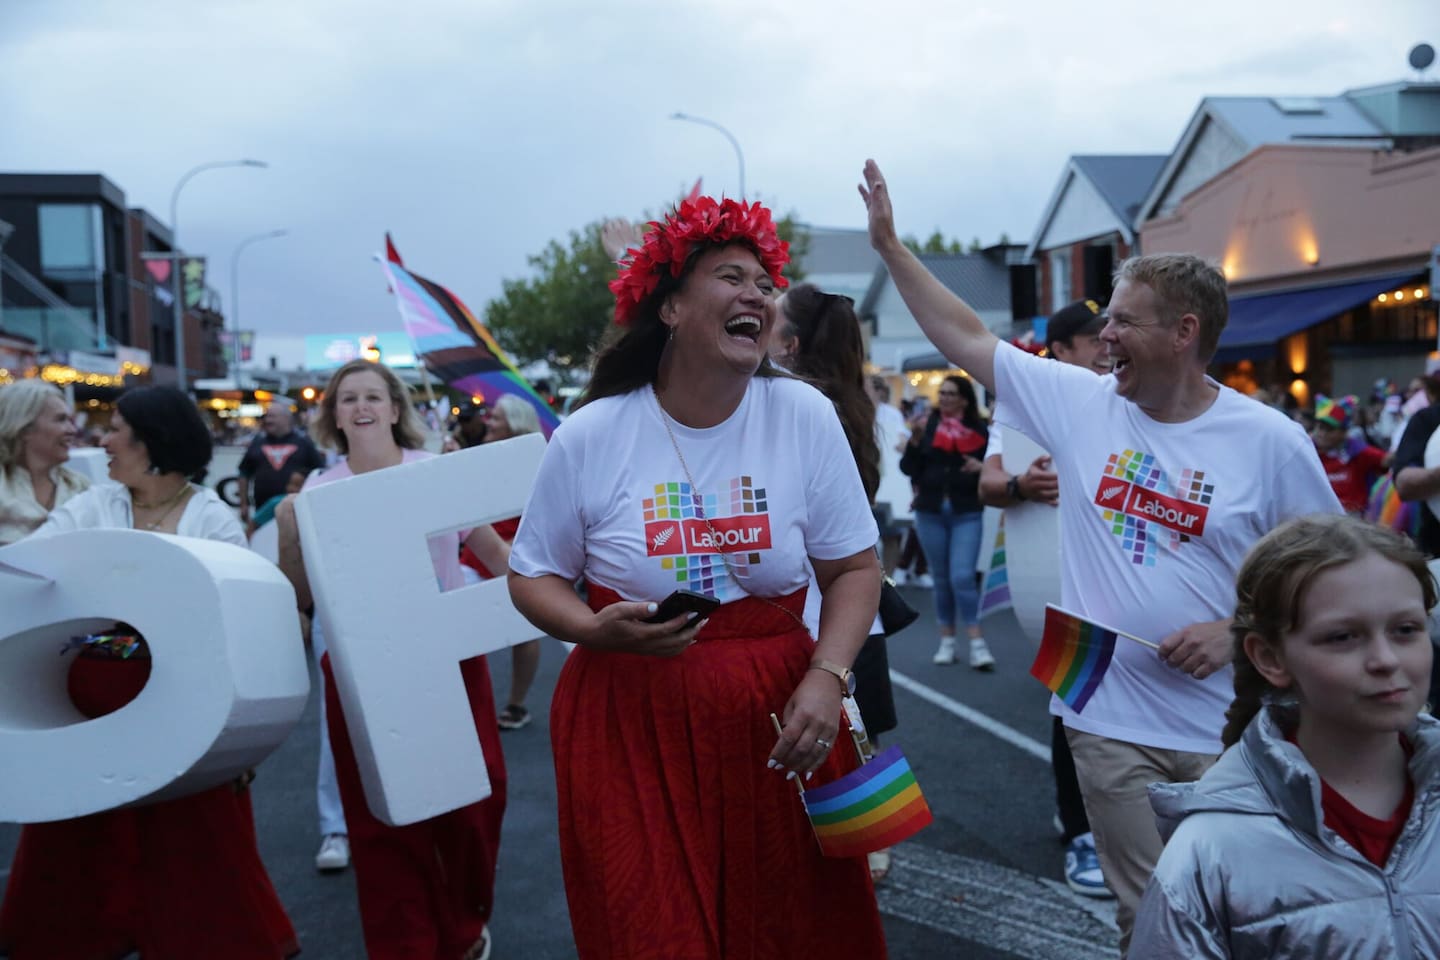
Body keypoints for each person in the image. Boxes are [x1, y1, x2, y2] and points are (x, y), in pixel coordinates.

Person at [858, 159, 1341, 952]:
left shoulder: (1270, 442)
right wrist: (890, 249)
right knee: (1148, 916)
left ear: (1185, 333)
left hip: (1233, 725)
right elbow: (966, 336)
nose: (1103, 336)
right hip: (1107, 715)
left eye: (1123, 322)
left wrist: (1235, 628)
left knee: (1245, 912)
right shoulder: (1081, 402)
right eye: (1106, 319)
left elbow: (1332, 574)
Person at [507, 195, 888, 958]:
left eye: (763, 281)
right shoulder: (593, 433)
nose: (756, 293)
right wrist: (587, 628)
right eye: (729, 276)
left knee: (791, 929)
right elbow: (533, 575)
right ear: (673, 307)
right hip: (629, 720)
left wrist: (828, 675)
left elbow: (855, 567)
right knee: (653, 930)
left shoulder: (803, 415)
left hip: (779, 717)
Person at [0, 385, 298, 960]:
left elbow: (241, 630)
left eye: (116, 430)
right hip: (86, 711)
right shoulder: (92, 507)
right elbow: (30, 569)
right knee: (81, 828)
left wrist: (241, 738)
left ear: (152, 442)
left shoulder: (211, 519)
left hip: (183, 715)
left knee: (191, 843)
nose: (102, 441)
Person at [275, 359, 511, 960]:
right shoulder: (316, 496)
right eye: (347, 397)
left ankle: (464, 922)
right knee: (381, 812)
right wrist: (288, 537)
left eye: (373, 396)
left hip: (450, 655)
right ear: (332, 414)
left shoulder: (434, 473)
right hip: (362, 665)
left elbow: (495, 553)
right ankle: (403, 941)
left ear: (395, 407)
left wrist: (572, 590)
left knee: (475, 797)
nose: (361, 406)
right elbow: (299, 599)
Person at [1131, 515, 1440, 957]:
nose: (1385, 659)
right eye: (1343, 637)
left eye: (1406, 630)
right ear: (1271, 658)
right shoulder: (1213, 850)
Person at [977, 298, 1113, 900]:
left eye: (1108, 334)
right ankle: (1080, 828)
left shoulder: (1131, 401)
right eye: (1090, 339)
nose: (1105, 345)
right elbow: (988, 484)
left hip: (1123, 586)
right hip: (1063, 587)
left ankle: (1116, 822)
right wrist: (1020, 485)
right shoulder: (1026, 414)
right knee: (1075, 700)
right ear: (1058, 351)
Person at [770, 283, 899, 882]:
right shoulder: (850, 404)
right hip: (856, 610)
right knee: (856, 735)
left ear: (790, 346)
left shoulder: (803, 412)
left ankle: (866, 852)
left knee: (835, 738)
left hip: (825, 611)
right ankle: (871, 847)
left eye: (768, 323)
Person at [458, 394, 545, 731]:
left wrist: (519, 544)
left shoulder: (537, 462)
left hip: (516, 556)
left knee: (525, 630)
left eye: (496, 417)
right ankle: (464, 705)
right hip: (474, 558)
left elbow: (547, 515)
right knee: (458, 629)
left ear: (516, 423)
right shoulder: (474, 454)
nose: (488, 422)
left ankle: (516, 703)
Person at [901, 374, 995, 670]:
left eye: (951, 394)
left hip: (966, 510)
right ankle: (947, 641)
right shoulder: (926, 427)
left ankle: (977, 642)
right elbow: (908, 468)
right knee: (941, 580)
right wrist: (915, 444)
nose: (944, 399)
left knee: (962, 577)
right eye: (942, 393)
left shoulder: (980, 430)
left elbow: (995, 468)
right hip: (930, 511)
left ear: (964, 399)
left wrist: (981, 467)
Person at [0, 378, 88, 546]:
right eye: (61, 419)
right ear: (24, 428)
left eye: (71, 421)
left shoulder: (80, 487)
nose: (73, 430)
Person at [238, 401, 326, 533]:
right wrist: (243, 504)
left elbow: (320, 474)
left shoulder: (303, 442)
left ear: (286, 418)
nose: (267, 420)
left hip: (296, 513)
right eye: (267, 416)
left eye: (272, 416)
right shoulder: (257, 442)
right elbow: (244, 473)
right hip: (262, 512)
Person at [1310, 394, 1387, 514]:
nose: (1321, 433)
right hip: (1317, 518)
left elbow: (1387, 460)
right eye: (1319, 427)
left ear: (1344, 432)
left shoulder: (1358, 451)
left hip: (1353, 520)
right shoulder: (1306, 450)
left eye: (1329, 429)